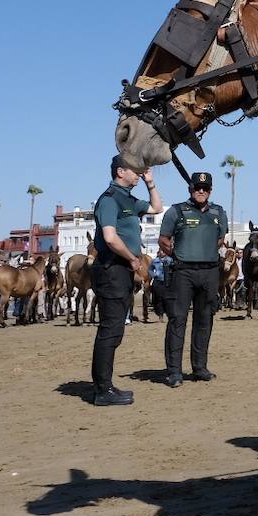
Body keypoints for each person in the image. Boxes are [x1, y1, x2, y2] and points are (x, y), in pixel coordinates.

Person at [90, 155, 163, 406]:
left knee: (116, 329)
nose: (138, 173)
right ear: (121, 171)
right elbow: (110, 238)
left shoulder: (128, 199)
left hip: (120, 271)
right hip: (111, 268)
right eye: (135, 170)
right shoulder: (109, 199)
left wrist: (150, 183)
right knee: (110, 330)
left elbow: (156, 208)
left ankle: (106, 386)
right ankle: (102, 390)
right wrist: (132, 259)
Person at [157, 172, 228, 387]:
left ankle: (200, 367)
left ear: (210, 190)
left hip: (209, 273)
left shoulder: (219, 212)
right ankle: (174, 372)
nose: (201, 191)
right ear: (190, 189)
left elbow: (220, 238)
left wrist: (204, 255)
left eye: (205, 188)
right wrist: (179, 255)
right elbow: (163, 239)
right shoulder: (176, 211)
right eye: (197, 187)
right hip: (183, 273)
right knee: (178, 320)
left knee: (204, 321)